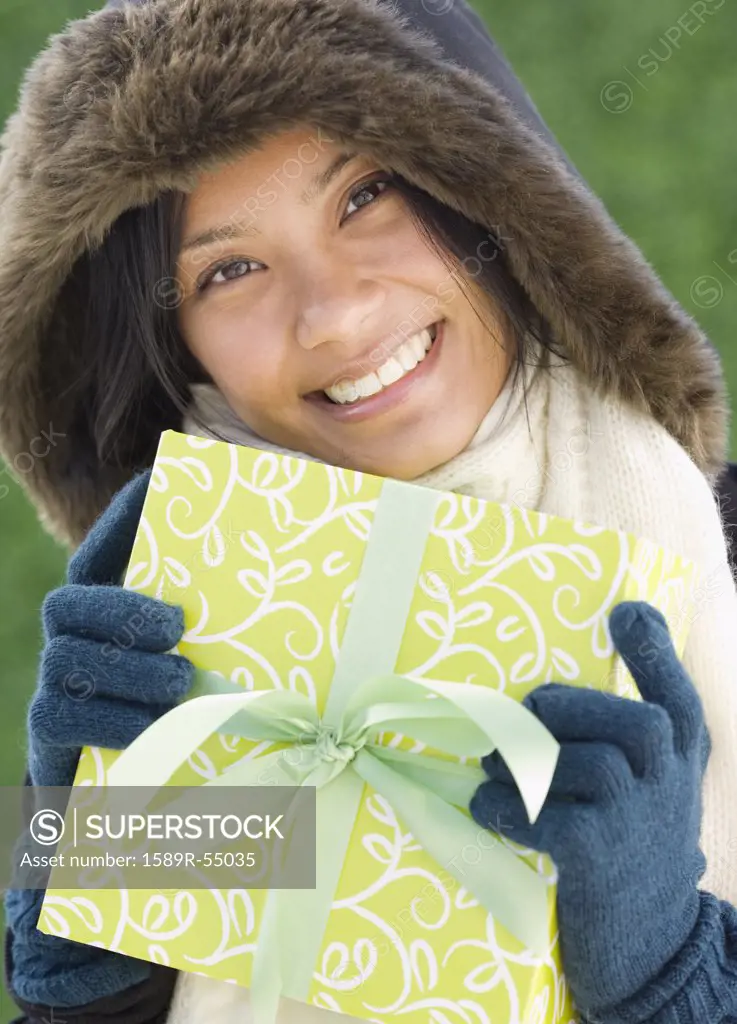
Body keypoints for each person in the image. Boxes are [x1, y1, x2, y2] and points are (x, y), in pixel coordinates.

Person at [0, 0, 736, 1022]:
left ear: (492, 201)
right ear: (182, 352)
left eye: (364, 196)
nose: (334, 312)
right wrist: (75, 863)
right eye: (229, 269)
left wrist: (670, 972)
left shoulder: (703, 555)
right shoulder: (181, 595)